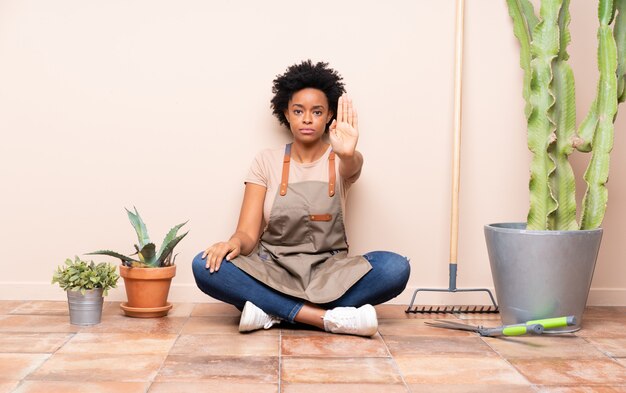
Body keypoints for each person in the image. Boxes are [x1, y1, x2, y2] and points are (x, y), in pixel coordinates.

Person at [192, 60, 410, 337]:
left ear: (329, 115)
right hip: (274, 271)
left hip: (329, 273)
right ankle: (325, 319)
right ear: (286, 113)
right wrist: (231, 243)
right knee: (203, 265)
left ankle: (272, 311)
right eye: (299, 111)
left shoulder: (342, 159)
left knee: (395, 267)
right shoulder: (266, 160)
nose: (307, 119)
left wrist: (346, 153)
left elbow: (352, 166)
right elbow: (247, 233)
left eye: (317, 111)